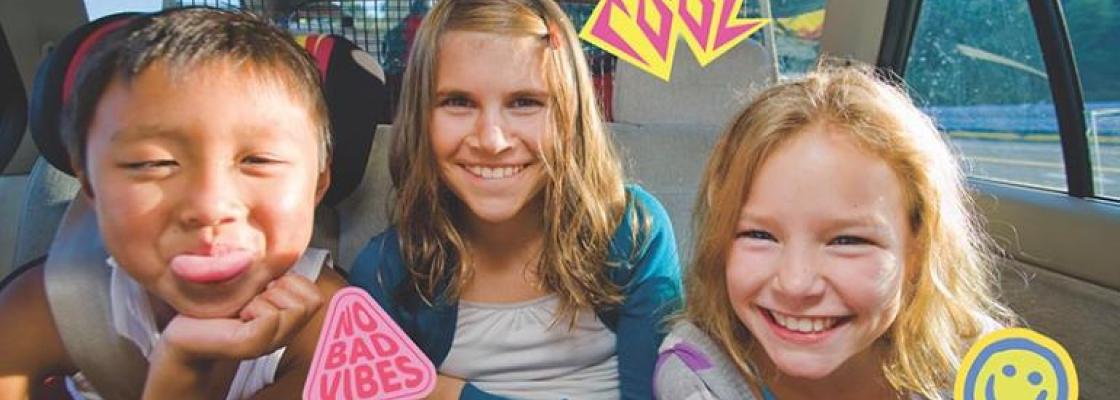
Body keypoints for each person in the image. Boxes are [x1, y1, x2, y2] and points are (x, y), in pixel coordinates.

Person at [0, 8, 346, 398]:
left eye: (258, 160)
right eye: (153, 163)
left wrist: (180, 372)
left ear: (318, 185)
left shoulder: (334, 333)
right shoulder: (48, 306)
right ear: (91, 187)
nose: (210, 207)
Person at [347, 0, 682, 398]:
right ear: (422, 118)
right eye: (458, 101)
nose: (492, 140)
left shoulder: (632, 232)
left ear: (570, 116)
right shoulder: (387, 271)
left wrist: (448, 394)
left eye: (525, 102)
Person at [653, 65, 1017, 400]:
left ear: (919, 249)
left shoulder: (985, 368)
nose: (795, 285)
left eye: (848, 241)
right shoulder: (700, 372)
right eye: (759, 235)